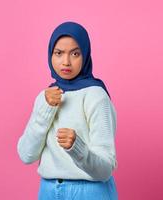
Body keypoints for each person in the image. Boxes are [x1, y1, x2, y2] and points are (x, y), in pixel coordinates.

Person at [17, 21, 118, 200]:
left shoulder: (96, 96)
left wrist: (76, 147)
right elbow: (26, 155)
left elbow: (105, 169)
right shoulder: (46, 96)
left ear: (85, 55)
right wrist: (46, 109)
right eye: (59, 53)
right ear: (50, 55)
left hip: (90, 191)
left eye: (75, 53)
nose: (66, 62)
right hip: (48, 190)